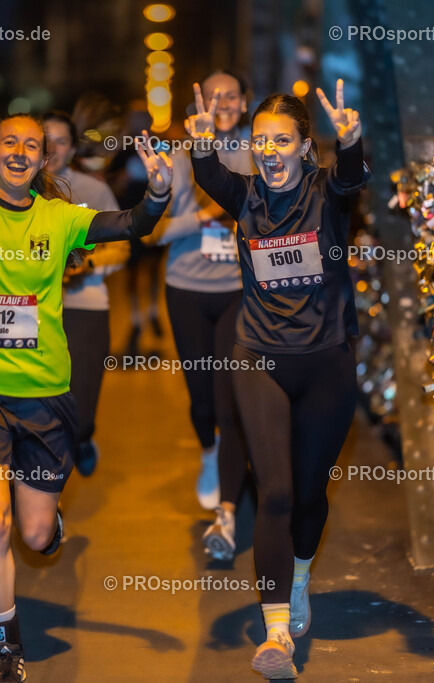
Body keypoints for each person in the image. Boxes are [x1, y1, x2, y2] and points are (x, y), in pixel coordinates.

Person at [0, 32, 172, 682]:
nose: (22, 152)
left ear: (40, 157)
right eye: (10, 143)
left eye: (33, 145)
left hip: (47, 395)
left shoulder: (60, 217)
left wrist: (158, 193)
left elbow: (133, 225)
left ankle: (49, 524)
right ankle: (7, 648)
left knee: (31, 534)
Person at [186, 80, 367, 679]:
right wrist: (204, 142)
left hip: (327, 361)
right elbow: (210, 175)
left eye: (281, 140)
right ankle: (275, 636)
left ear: (303, 147)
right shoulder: (246, 198)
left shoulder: (327, 193)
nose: (269, 150)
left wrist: (354, 141)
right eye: (261, 140)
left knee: (311, 497)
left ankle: (300, 577)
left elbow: (351, 178)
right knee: (277, 493)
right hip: (258, 355)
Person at [150, 71, 253, 556]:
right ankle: (209, 452)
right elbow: (154, 232)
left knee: (228, 390)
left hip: (238, 288)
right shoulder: (178, 153)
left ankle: (229, 504)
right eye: (213, 97)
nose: (223, 103)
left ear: (245, 102)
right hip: (186, 288)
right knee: (201, 398)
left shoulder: (262, 149)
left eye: (231, 95)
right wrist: (208, 216)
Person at [44, 111, 129, 476]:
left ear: (73, 147)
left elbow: (122, 246)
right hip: (32, 312)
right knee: (41, 407)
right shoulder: (18, 190)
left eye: (61, 141)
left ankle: (82, 436)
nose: (51, 149)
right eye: (43, 140)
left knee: (80, 404)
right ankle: (46, 497)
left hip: (85, 306)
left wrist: (83, 266)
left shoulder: (92, 190)